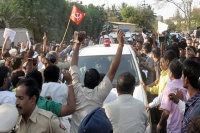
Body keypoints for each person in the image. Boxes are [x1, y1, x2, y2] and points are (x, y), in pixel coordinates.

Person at [70, 30, 124, 133]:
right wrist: (120, 44)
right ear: (98, 83)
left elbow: (73, 66)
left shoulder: (76, 89)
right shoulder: (99, 94)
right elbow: (113, 70)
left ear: (84, 80)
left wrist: (77, 43)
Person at [169, 57, 200, 132]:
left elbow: (191, 114)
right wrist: (178, 101)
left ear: (186, 80)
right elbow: (189, 111)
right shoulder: (195, 101)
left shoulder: (197, 110)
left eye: (182, 75)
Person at [157, 60, 187, 133]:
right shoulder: (186, 85)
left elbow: (166, 112)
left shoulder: (169, 88)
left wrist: (160, 124)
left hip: (174, 127)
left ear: (171, 74)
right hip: (186, 126)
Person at [41, 65, 70, 129]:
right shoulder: (64, 87)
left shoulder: (40, 88)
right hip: (60, 122)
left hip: (42, 122)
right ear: (58, 76)